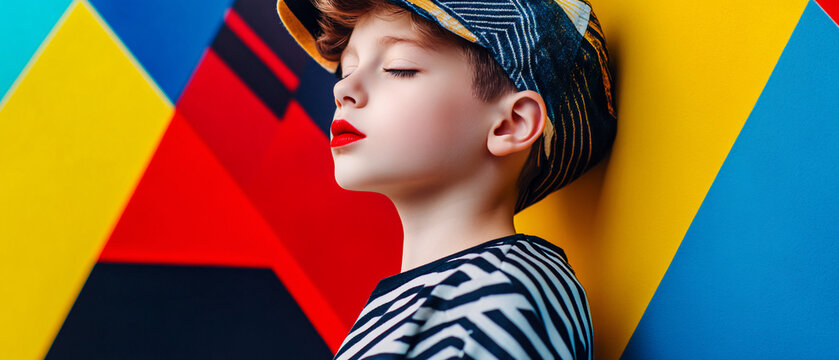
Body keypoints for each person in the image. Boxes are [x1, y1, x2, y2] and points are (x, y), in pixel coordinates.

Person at [277, 0, 617, 358]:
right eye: (347, 71)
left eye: (398, 68)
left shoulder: (497, 296)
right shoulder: (448, 298)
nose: (341, 90)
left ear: (511, 124)